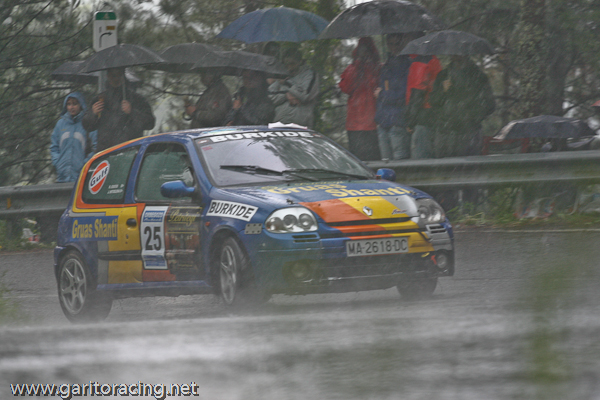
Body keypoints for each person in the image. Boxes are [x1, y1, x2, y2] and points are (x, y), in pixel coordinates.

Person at [429, 55, 495, 158]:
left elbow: (490, 104)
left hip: (469, 133)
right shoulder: (444, 76)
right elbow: (433, 102)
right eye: (454, 54)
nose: (456, 56)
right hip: (445, 133)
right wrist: (442, 91)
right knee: (445, 166)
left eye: (459, 54)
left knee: (468, 166)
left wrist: (471, 118)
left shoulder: (478, 77)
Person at [83, 67, 155, 152]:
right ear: (108, 76)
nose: (116, 79)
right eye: (113, 75)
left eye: (118, 75)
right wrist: (93, 113)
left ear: (123, 76)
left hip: (130, 152)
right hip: (106, 152)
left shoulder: (137, 99)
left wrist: (132, 112)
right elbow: (87, 126)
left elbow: (150, 123)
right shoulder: (100, 99)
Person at [338, 37, 381, 161]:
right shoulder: (352, 68)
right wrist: (357, 66)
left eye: (366, 51)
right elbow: (346, 88)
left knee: (373, 159)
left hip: (372, 122)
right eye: (361, 51)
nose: (364, 54)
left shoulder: (378, 68)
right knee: (358, 160)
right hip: (355, 123)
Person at [374, 33, 412, 160]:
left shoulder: (407, 64)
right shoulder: (386, 66)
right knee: (386, 162)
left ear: (402, 44)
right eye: (391, 44)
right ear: (387, 45)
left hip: (397, 120)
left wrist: (383, 94)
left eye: (397, 44)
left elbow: (403, 94)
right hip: (383, 120)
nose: (394, 47)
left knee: (400, 159)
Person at [50, 92, 97, 182]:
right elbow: (54, 147)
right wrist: (58, 163)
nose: (71, 107)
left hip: (81, 178)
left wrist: (85, 164)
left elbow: (96, 147)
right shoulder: (60, 124)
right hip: (62, 177)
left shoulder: (87, 122)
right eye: (69, 104)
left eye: (75, 104)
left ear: (81, 105)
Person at [269, 48, 319, 128]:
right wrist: (286, 95)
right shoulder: (281, 76)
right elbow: (271, 97)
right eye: (286, 65)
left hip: (301, 127)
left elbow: (305, 95)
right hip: (279, 125)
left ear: (300, 62)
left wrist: (287, 83)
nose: (290, 68)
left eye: (292, 64)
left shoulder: (310, 75)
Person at [405, 51, 442, 159]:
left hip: (422, 117)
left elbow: (418, 94)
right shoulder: (433, 59)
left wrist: (410, 121)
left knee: (420, 158)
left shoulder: (420, 62)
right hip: (432, 114)